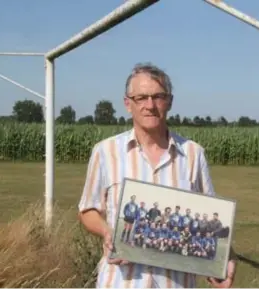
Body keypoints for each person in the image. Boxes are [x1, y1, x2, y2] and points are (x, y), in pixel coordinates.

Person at [78, 62, 237, 288]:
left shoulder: (193, 154)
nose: (150, 105)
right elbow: (87, 209)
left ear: (169, 101)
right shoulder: (105, 152)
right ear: (127, 104)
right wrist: (107, 232)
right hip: (121, 281)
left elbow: (210, 221)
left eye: (158, 96)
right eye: (140, 98)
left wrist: (226, 259)